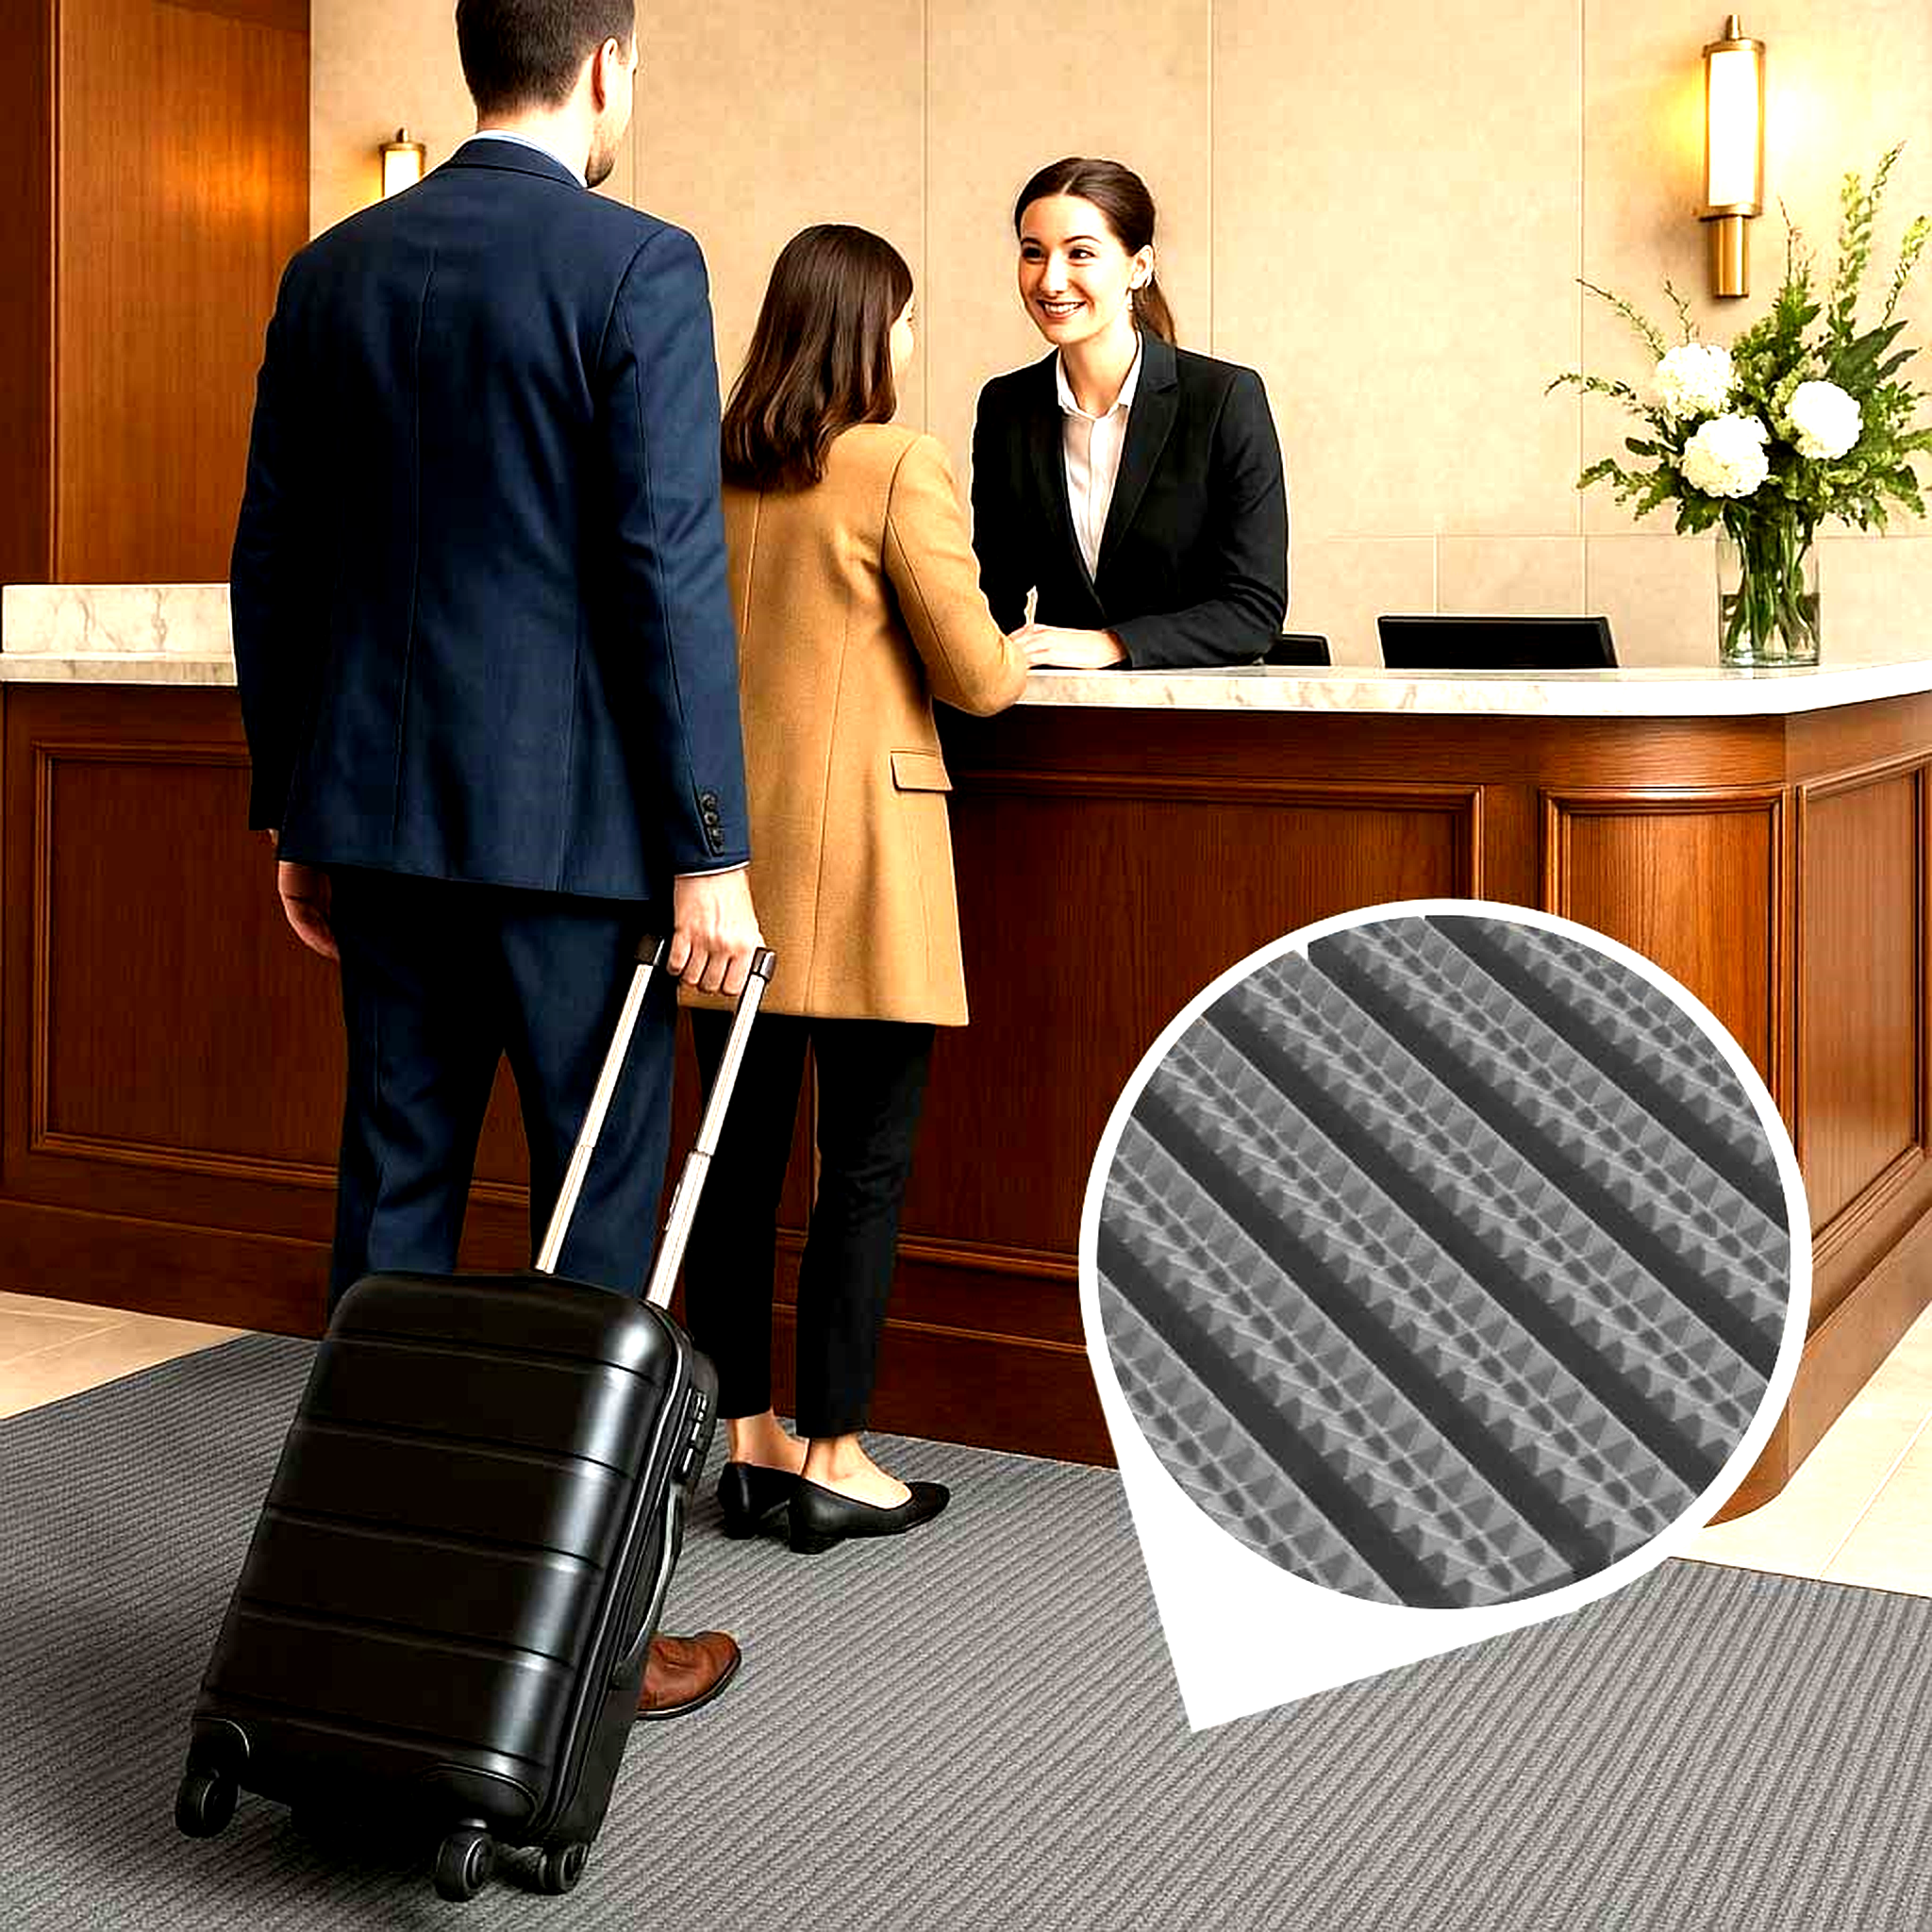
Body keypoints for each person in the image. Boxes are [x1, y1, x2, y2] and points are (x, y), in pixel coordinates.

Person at [228, 0, 759, 1720]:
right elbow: (667, 574)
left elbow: (275, 564)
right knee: (595, 1233)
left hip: (379, 830)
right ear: (607, 64)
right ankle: (575, 1652)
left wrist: (295, 805)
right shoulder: (637, 263)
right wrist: (709, 851)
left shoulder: (332, 270)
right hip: (579, 850)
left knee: (390, 1220)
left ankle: (361, 1608)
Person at [679, 225, 1029, 1556]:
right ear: (869, 329)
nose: (910, 341)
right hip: (869, 864)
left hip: (728, 870)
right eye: (905, 318)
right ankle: (836, 1452)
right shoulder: (896, 463)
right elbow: (978, 674)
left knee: (735, 1168)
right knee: (862, 1165)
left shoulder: (709, 467)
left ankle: (747, 1442)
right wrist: (1024, 641)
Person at [971, 156, 1291, 670]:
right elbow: (993, 593)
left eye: (1080, 254)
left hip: (1198, 721)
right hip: (1051, 718)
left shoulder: (1225, 398)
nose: (1051, 280)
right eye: (1034, 253)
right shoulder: (1006, 407)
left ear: (1138, 268)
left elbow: (1253, 610)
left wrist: (1112, 643)